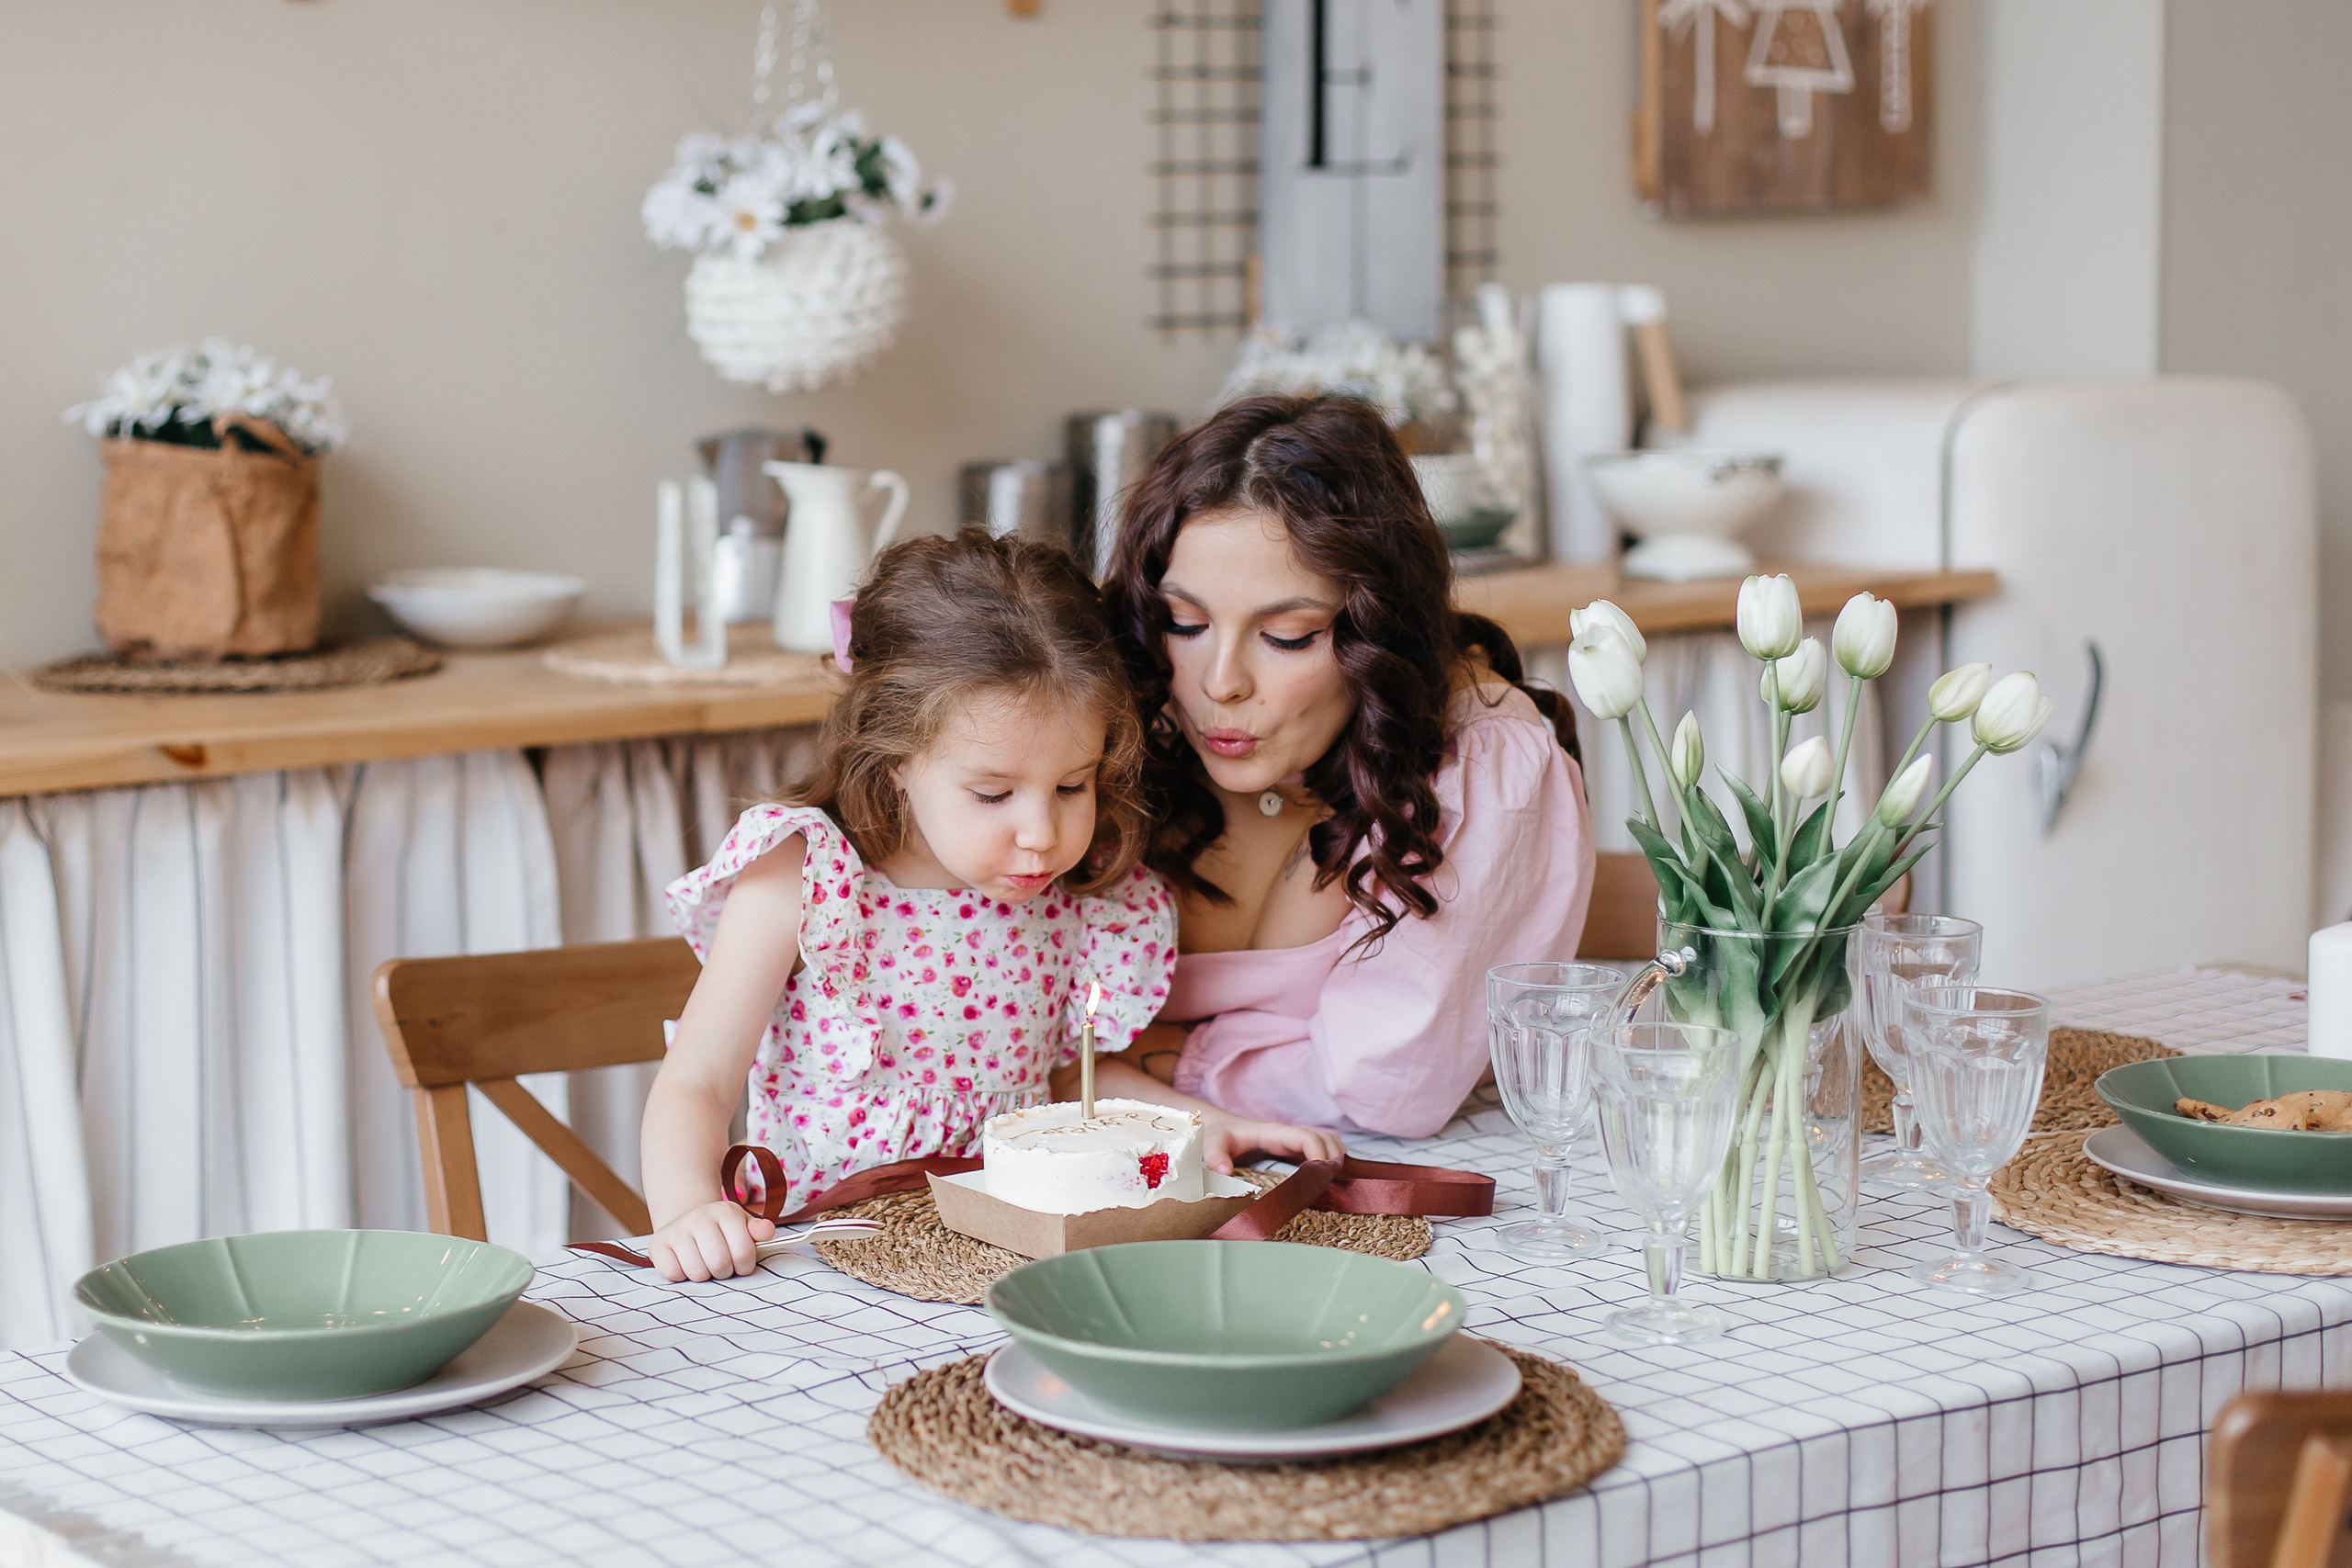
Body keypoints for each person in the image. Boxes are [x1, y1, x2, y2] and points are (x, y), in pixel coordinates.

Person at [641, 528, 1341, 1282]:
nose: (1042, 835)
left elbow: (1069, 1082)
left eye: (1074, 785)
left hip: (1013, 1261)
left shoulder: (1079, 900)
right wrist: (687, 1210)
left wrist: (1211, 1125)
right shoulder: (808, 876)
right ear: (897, 757)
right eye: (993, 793)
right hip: (825, 1262)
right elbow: (698, 1082)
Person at [1100, 394, 1597, 1140]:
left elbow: (1391, 1086)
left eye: (1288, 635)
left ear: (1377, 630)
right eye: (1187, 623)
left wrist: (1179, 1064)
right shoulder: (1112, 720)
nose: (1220, 682)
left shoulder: (1483, 761)